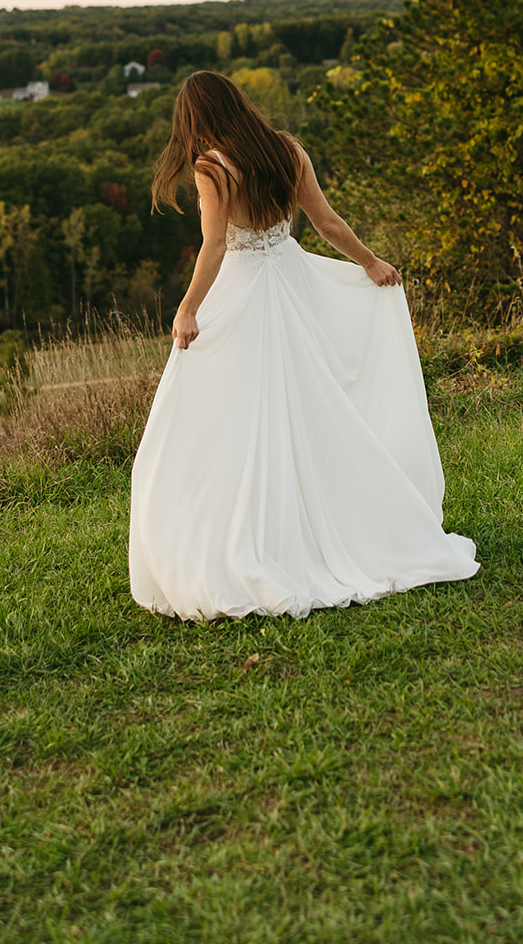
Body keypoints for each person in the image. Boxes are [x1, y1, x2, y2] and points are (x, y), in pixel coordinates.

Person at [130, 70, 478, 620]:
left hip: (245, 293)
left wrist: (189, 306)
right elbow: (327, 223)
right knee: (310, 405)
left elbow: (215, 245)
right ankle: (329, 524)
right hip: (292, 285)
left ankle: (257, 537)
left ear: (195, 120)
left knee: (224, 417)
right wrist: (370, 262)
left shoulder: (211, 167)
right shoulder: (287, 150)